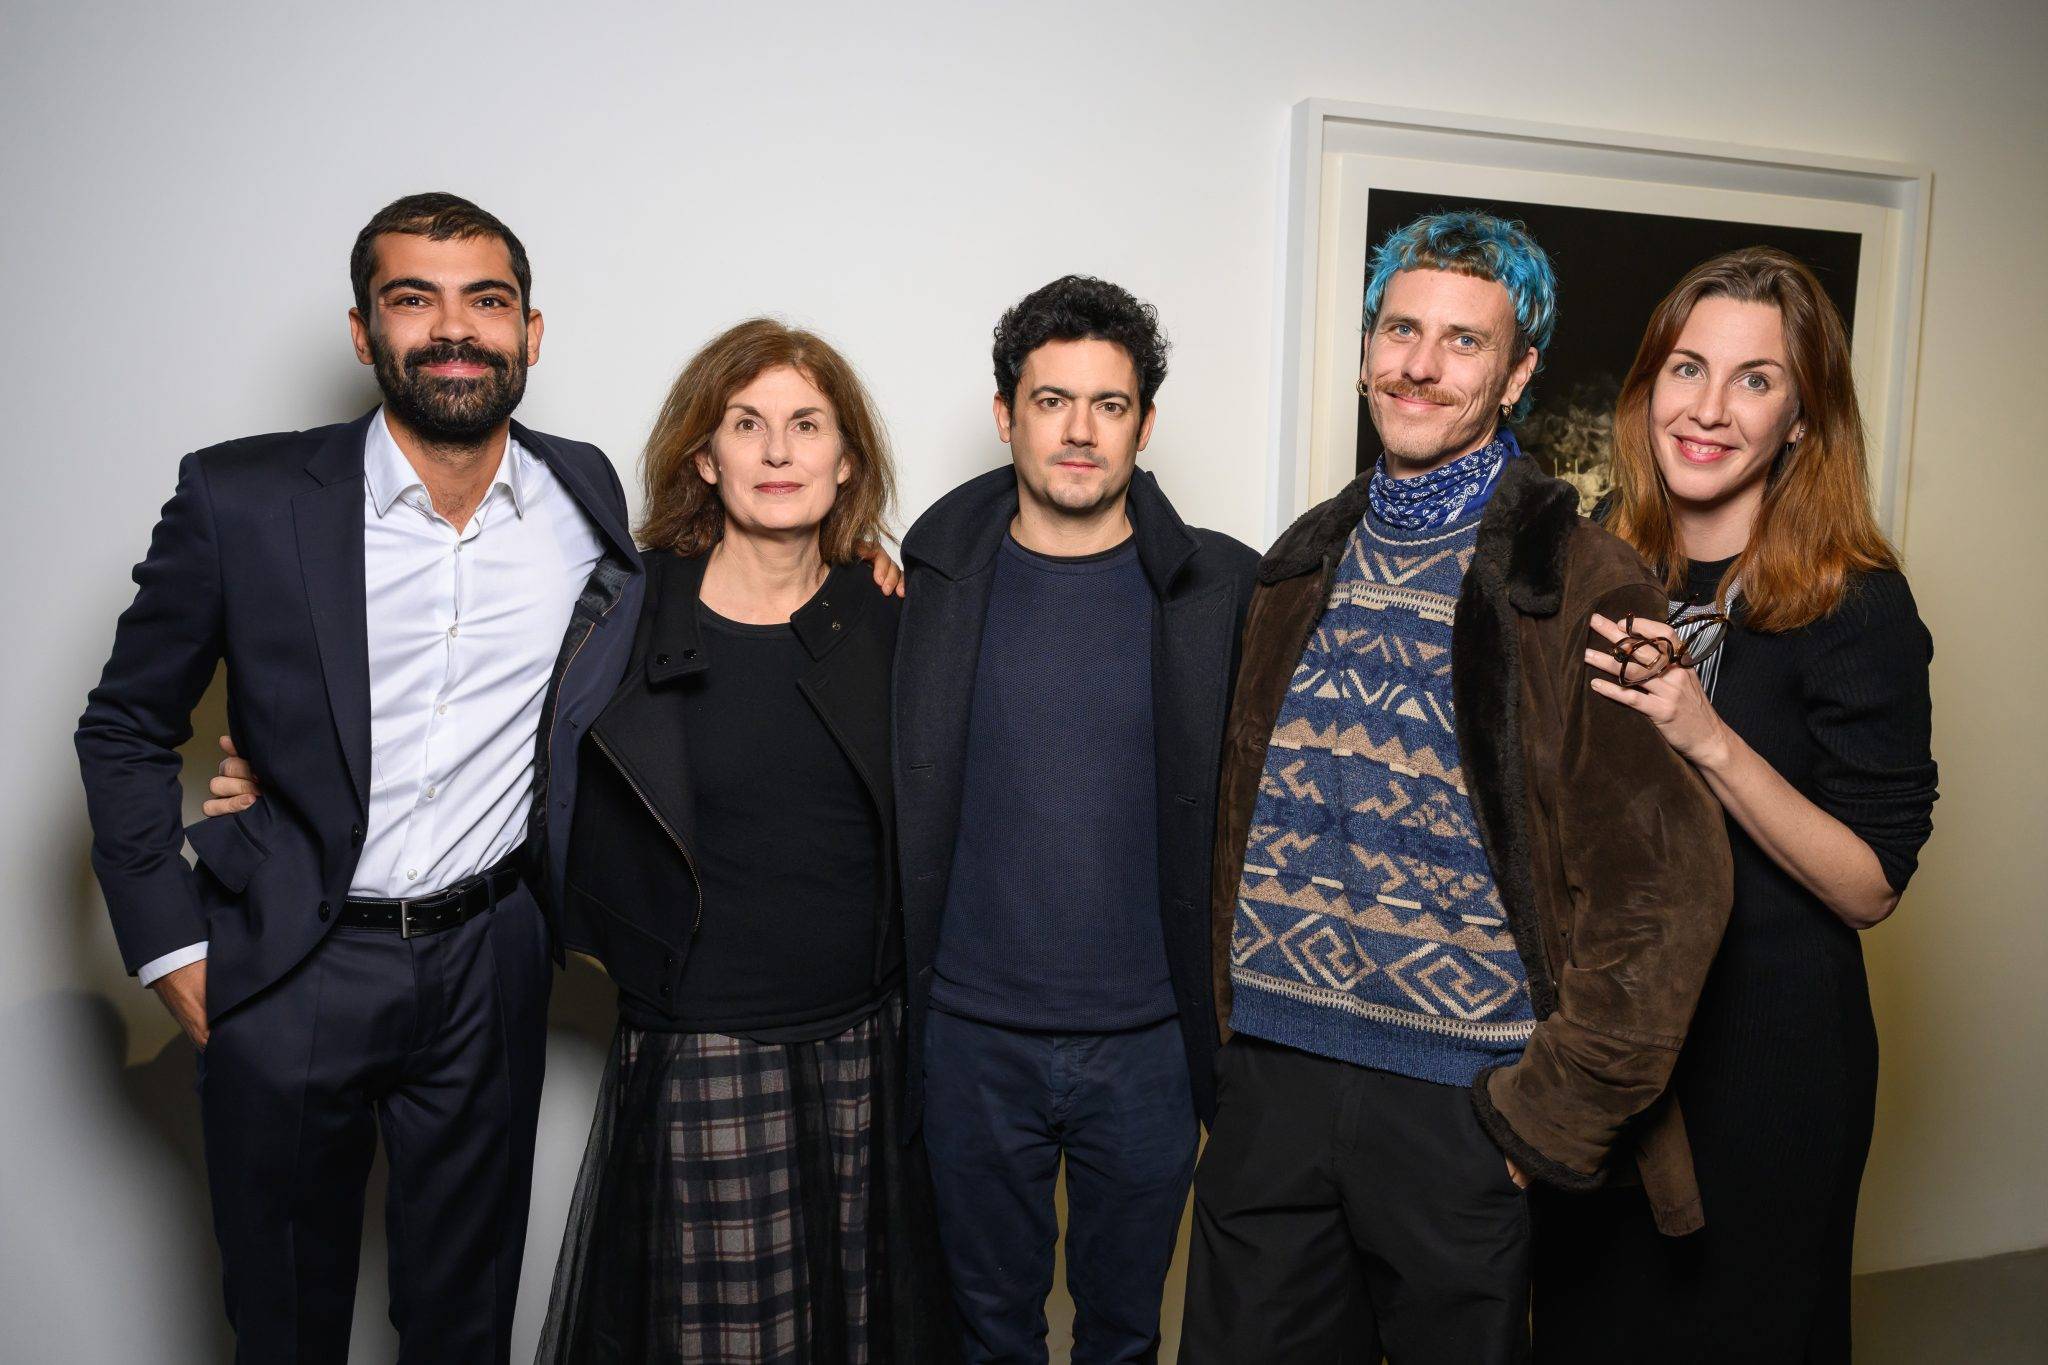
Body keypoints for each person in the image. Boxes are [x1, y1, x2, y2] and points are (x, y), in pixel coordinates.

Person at [74, 192, 646, 1362]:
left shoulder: (584, 496)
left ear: (531, 333)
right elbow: (126, 725)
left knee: (465, 1319)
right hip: (292, 960)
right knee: (283, 1321)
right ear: (362, 331)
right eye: (412, 300)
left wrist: (863, 569)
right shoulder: (242, 499)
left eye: (486, 302)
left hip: (492, 959)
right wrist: (173, 949)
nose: (453, 330)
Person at [1178, 210, 1734, 1364]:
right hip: (1270, 1091)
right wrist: (1228, 1064)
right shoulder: (1300, 559)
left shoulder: (1580, 580)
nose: (1418, 367)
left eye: (1462, 342)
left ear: (1518, 370)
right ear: (1367, 344)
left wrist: (1540, 1119)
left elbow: (1666, 892)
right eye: (1400, 329)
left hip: (1455, 1107)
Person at [1534, 247, 1938, 1363]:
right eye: (1685, 368)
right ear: (1645, 389)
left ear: (1803, 420)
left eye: (1754, 380)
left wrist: (1702, 734)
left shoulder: (1853, 605)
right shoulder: (1605, 573)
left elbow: (1867, 887)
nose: (1706, 409)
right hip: (1610, 1050)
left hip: (1766, 1068)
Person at [533, 318, 953, 1364]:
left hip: (869, 1040)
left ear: (845, 457)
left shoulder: (892, 613)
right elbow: (488, 731)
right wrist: (273, 774)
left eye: (806, 425)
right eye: (748, 424)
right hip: (701, 1044)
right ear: (702, 455)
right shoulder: (625, 606)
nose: (777, 452)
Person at [894, 275, 1258, 1362]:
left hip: (1147, 1046)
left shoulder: (1219, 591)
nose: (1079, 430)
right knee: (985, 1335)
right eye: (1052, 401)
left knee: (1119, 1336)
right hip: (969, 1039)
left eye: (1108, 405)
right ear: (1005, 415)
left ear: (1144, 424)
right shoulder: (924, 581)